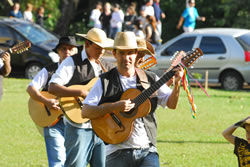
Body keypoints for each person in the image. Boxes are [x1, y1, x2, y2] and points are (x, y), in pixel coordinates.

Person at [82, 31, 184, 167]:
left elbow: (171, 104)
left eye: (130, 53)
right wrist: (114, 107)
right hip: (115, 151)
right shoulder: (104, 81)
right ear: (114, 54)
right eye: (122, 53)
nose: (126, 58)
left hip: (147, 150)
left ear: (136, 54)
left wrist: (177, 84)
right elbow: (86, 111)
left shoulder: (150, 78)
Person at [48, 28, 114, 167]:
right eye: (98, 48)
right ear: (87, 44)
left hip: (102, 127)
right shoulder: (71, 62)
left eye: (103, 48)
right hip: (78, 127)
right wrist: (81, 93)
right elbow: (52, 87)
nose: (101, 52)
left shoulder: (105, 66)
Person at [26, 36, 78, 167]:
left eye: (71, 49)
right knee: (57, 161)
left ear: (76, 51)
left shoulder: (81, 71)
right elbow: (31, 88)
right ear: (58, 52)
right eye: (63, 49)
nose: (67, 52)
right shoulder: (49, 70)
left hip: (75, 124)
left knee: (74, 162)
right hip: (53, 122)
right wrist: (47, 102)